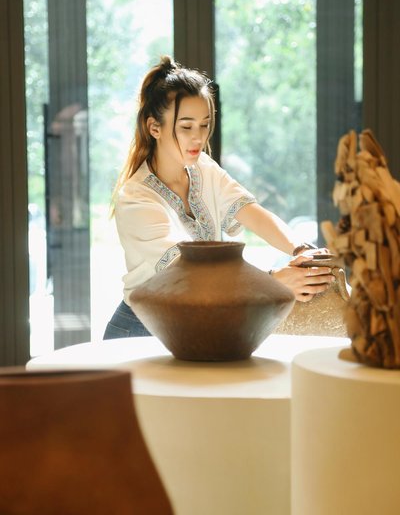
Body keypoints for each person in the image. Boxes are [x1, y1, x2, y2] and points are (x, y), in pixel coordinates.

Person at [103, 56, 334, 339]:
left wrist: (299, 249)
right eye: (186, 126)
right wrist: (273, 282)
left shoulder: (204, 168)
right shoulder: (136, 199)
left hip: (196, 320)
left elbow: (252, 213)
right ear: (154, 128)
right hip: (141, 331)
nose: (198, 138)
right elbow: (190, 273)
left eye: (204, 124)